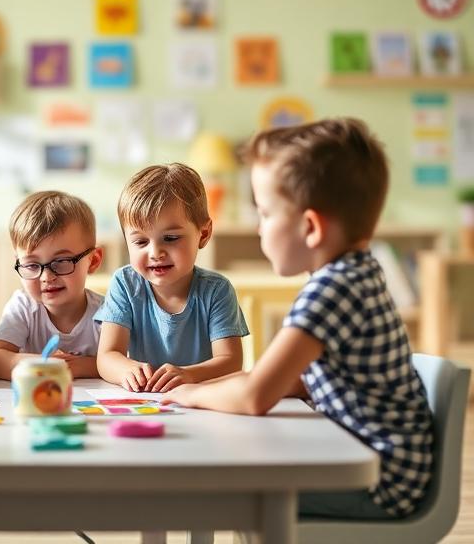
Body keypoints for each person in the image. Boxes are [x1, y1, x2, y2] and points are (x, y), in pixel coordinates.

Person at [162, 118, 433, 519]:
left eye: (265, 214)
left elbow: (256, 396)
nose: (259, 228)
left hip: (376, 481)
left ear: (310, 227)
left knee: (211, 486)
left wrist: (191, 395)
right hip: (378, 466)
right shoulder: (357, 273)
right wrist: (206, 384)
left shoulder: (331, 291)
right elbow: (293, 381)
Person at [95, 163, 248, 393]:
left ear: (203, 234)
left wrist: (188, 375)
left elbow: (231, 361)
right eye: (140, 242)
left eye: (170, 238)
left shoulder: (217, 290)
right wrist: (127, 370)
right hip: (148, 400)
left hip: (201, 400)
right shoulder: (125, 284)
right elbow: (107, 356)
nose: (155, 253)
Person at [0, 191, 104, 379]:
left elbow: (120, 362)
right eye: (31, 265)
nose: (47, 277)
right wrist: (45, 364)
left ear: (93, 261)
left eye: (61, 262)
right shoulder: (24, 306)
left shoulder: (107, 313)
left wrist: (73, 366)